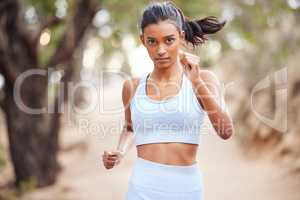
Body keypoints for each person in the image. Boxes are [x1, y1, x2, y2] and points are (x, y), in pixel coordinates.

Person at [102, 1, 234, 199]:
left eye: (168, 40)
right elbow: (130, 128)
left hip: (186, 191)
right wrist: (120, 151)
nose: (160, 50)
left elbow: (226, 131)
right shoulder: (132, 87)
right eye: (152, 41)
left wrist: (196, 81)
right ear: (142, 40)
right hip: (140, 190)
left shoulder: (204, 79)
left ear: (181, 37)